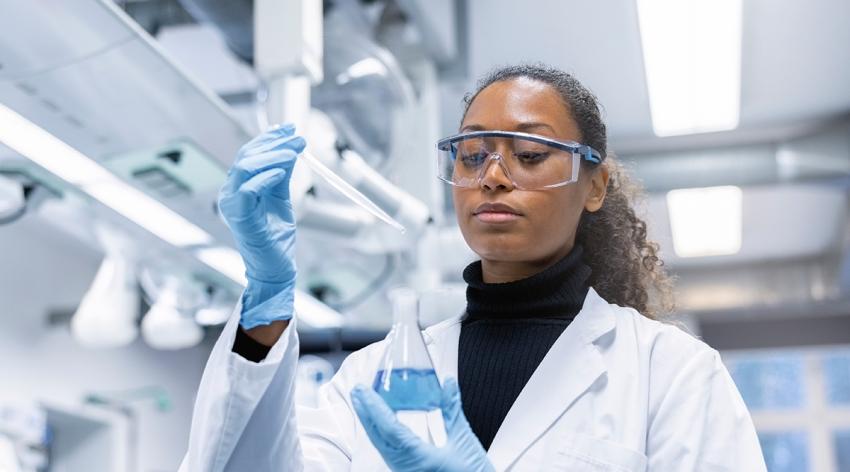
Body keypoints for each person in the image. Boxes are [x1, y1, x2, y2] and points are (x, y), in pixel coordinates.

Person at [180, 64, 767, 471]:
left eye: (530, 155)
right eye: (472, 154)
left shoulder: (670, 375)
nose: (492, 175)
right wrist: (266, 300)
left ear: (595, 185)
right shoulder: (374, 377)